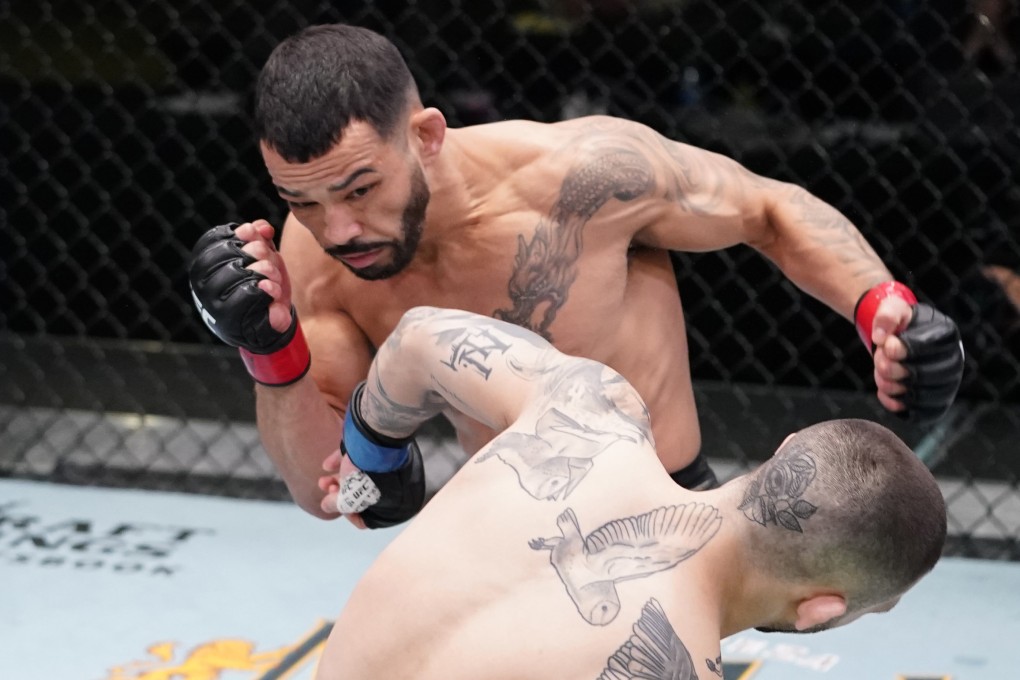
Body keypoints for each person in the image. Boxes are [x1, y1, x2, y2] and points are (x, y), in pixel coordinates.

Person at [187, 22, 965, 519]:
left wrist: (879, 306)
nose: (338, 228)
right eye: (304, 201)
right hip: (510, 526)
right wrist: (271, 356)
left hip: (667, 510)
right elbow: (338, 493)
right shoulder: (310, 254)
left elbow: (769, 207)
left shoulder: (580, 176)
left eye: (360, 189)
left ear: (425, 136)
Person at [313, 306, 947, 680]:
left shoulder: (593, 409)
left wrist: (375, 460)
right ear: (822, 610)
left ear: (781, 450)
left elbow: (420, 336)